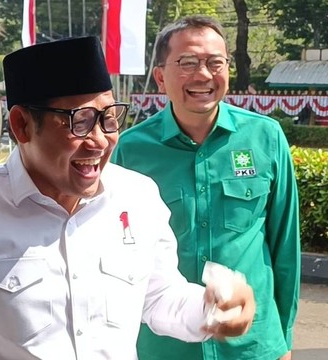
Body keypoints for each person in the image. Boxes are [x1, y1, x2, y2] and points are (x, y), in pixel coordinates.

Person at [0, 36, 256, 360]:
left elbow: (161, 297)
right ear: (21, 125)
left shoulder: (138, 197)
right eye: (79, 121)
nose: (99, 140)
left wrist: (213, 310)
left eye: (108, 118)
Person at [112, 15, 301, 360]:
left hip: (251, 344)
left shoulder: (266, 137)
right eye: (187, 63)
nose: (203, 75)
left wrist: (283, 339)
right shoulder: (130, 150)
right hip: (164, 348)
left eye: (215, 62)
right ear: (159, 77)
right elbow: (116, 255)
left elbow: (285, 247)